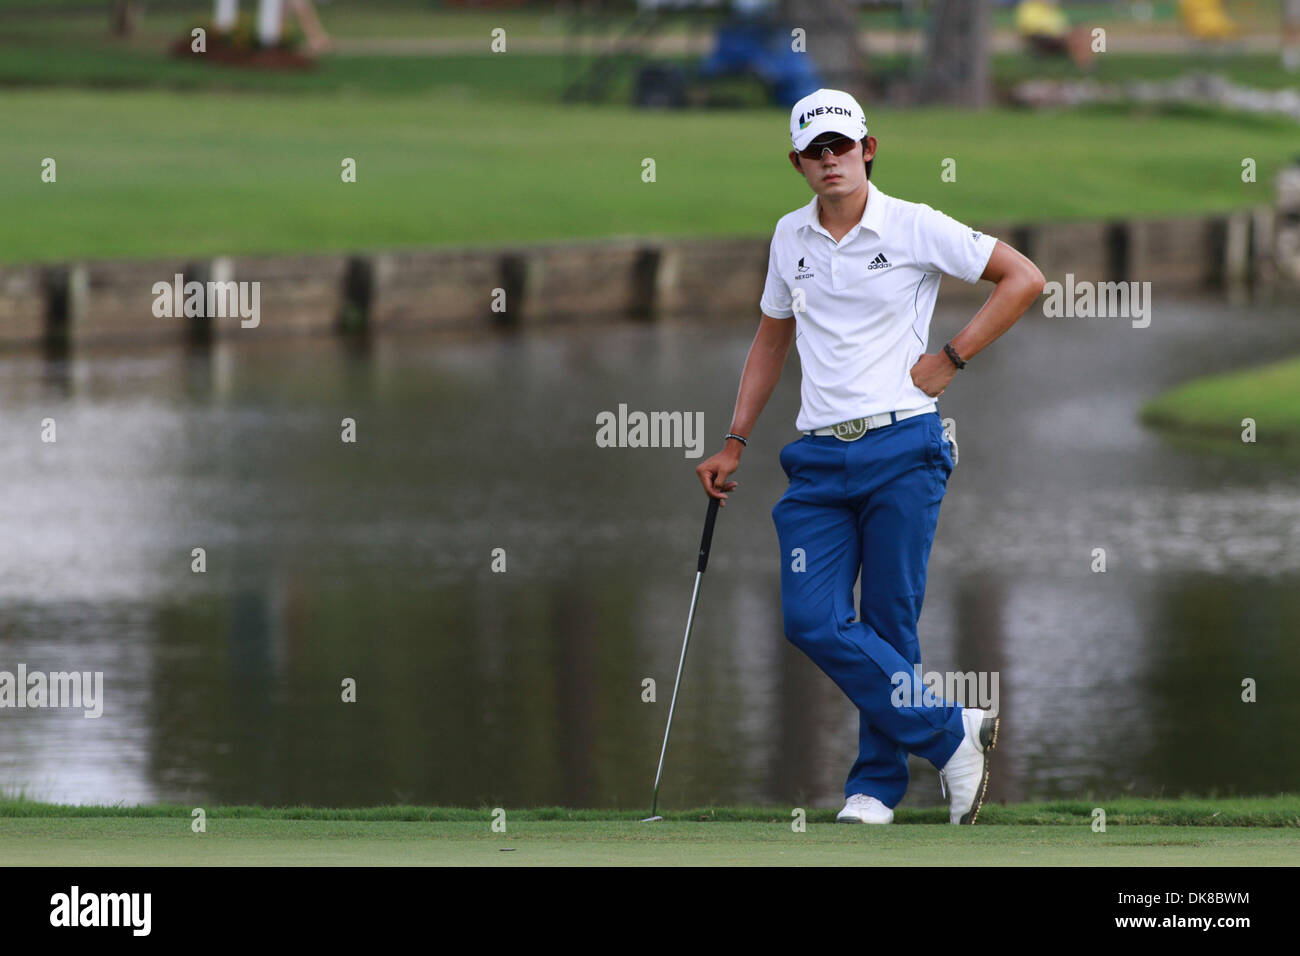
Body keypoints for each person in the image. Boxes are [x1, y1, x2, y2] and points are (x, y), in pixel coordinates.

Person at [695, 89, 1044, 824]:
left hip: (903, 447)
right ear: (797, 162)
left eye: (841, 146)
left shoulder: (914, 225)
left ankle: (875, 788)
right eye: (815, 152)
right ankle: (953, 735)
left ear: (868, 148)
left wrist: (952, 356)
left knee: (890, 622)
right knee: (812, 619)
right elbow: (769, 340)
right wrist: (734, 441)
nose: (831, 161)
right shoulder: (789, 238)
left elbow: (1024, 278)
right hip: (817, 462)